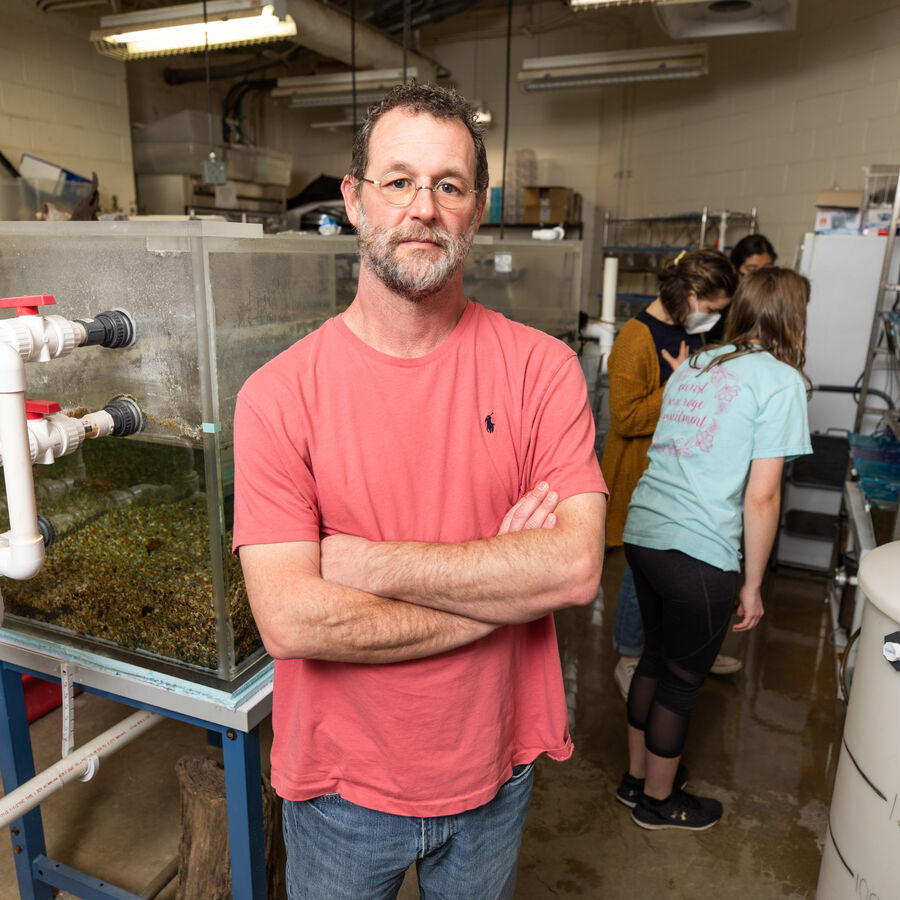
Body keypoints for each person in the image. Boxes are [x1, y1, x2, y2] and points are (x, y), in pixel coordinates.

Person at [232, 83, 607, 900]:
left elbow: (575, 570)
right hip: (340, 788)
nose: (422, 207)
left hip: (495, 769)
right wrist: (505, 585)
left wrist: (364, 563)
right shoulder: (278, 395)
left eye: (448, 185)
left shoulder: (542, 371)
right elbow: (291, 618)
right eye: (398, 181)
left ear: (476, 210)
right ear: (355, 200)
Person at [619, 266, 812, 831]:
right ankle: (660, 802)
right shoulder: (780, 383)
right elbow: (763, 496)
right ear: (793, 318)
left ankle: (634, 782)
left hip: (644, 533)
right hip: (698, 552)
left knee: (653, 662)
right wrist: (752, 584)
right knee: (682, 681)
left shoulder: (698, 363)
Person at [601, 249, 739, 702]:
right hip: (641, 474)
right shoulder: (635, 338)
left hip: (679, 473)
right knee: (639, 572)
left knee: (677, 570)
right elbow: (624, 418)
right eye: (713, 309)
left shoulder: (686, 330)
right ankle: (629, 657)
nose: (713, 319)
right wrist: (679, 384)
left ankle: (687, 649)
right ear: (693, 294)